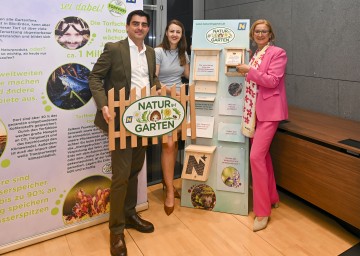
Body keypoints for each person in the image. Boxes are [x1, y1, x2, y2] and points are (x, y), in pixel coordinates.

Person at [89, 10, 161, 256]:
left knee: (134, 170)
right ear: (127, 26)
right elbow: (95, 78)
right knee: (120, 176)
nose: (139, 28)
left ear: (147, 29)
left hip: (142, 121)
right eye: (135, 24)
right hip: (120, 121)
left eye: (144, 25)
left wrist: (160, 90)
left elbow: (149, 81)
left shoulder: (150, 52)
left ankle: (129, 214)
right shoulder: (114, 48)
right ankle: (116, 230)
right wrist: (103, 104)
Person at [236, 19, 288, 232]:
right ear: (252, 34)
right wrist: (249, 66)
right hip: (254, 113)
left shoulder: (278, 53)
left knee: (255, 157)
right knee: (263, 157)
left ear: (270, 34)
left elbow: (273, 81)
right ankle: (273, 197)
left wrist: (249, 70)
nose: (260, 34)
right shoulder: (254, 55)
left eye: (264, 31)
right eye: (256, 31)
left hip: (270, 113)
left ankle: (263, 212)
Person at [154, 19, 190, 216]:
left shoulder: (183, 54)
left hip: (180, 102)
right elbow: (155, 79)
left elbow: (190, 75)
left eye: (178, 31)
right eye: (172, 31)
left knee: (174, 143)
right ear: (166, 33)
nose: (175, 34)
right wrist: (172, 92)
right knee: (168, 144)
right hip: (164, 102)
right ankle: (169, 190)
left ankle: (167, 182)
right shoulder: (158, 52)